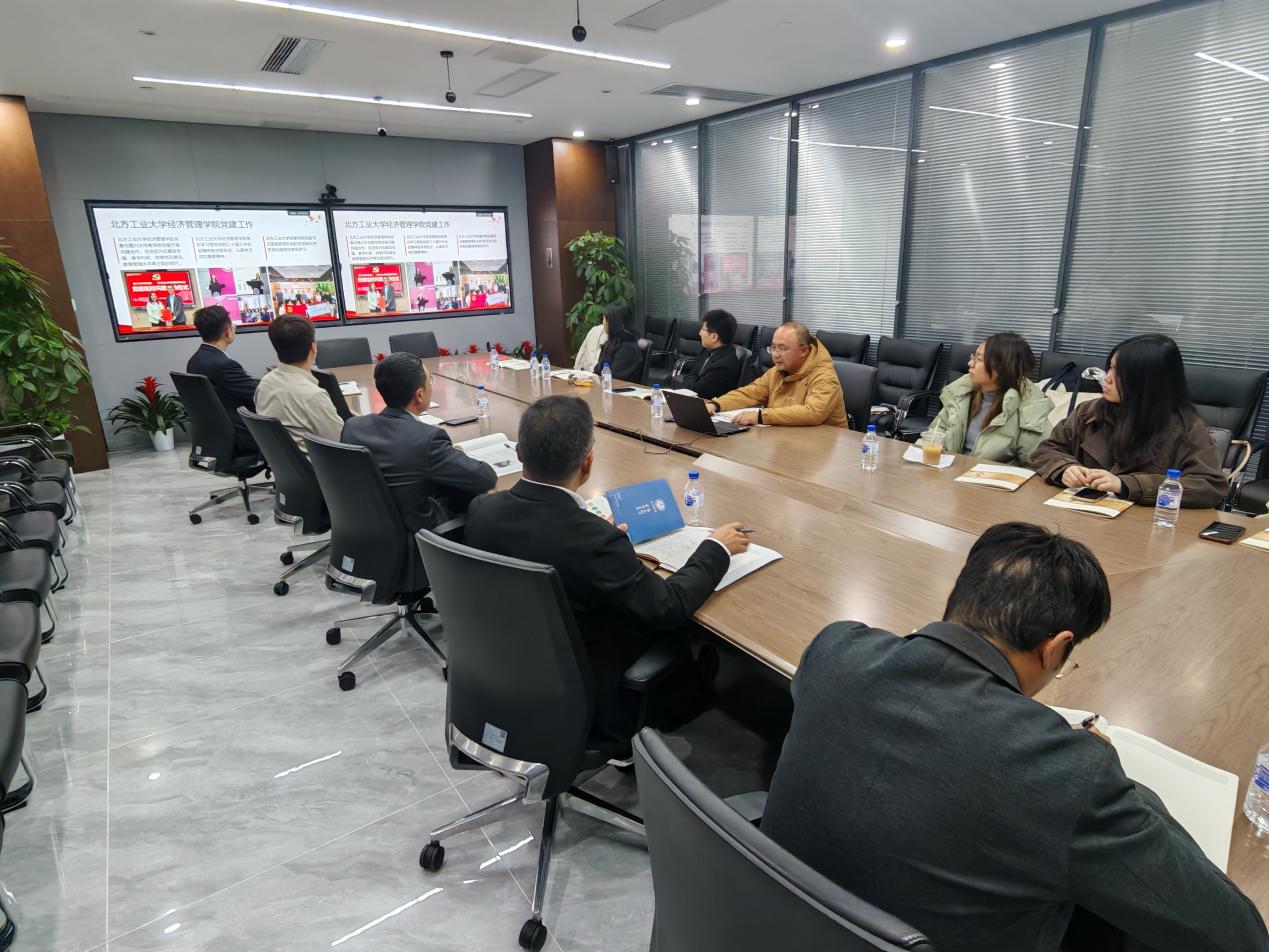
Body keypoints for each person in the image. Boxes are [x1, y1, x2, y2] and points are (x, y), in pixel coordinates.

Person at [762, 522, 1267, 952]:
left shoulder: (835, 649)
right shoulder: (1067, 772)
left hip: (765, 921)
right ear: (1056, 648)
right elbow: (1237, 935)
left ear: (960, 598)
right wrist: (1108, 774)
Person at [463, 395, 750, 744]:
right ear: (588, 463)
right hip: (590, 697)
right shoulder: (595, 541)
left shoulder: (482, 509)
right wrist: (716, 548)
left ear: (520, 452)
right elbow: (668, 608)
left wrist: (605, 543)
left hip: (505, 673)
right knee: (671, 632)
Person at [340, 353, 497, 589]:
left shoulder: (353, 427)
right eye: (430, 380)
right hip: (418, 538)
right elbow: (485, 477)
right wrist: (453, 454)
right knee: (485, 504)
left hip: (370, 537)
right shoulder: (426, 439)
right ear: (420, 394)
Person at [1031, 334, 1225, 507]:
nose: (1107, 378)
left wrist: (1127, 485)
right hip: (1080, 513)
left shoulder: (1188, 429)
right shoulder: (1088, 412)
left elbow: (1208, 487)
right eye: (1110, 368)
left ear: (1147, 381)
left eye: (1118, 373)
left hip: (1144, 526)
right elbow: (1047, 450)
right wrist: (1064, 468)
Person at [922, 333, 1052, 465]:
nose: (970, 363)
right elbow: (938, 429)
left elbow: (1037, 464)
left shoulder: (1031, 409)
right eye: (973, 356)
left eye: (978, 359)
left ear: (1001, 368)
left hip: (994, 477)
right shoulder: (961, 392)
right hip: (949, 471)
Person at [705, 321, 847, 428]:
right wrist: (716, 405)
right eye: (773, 348)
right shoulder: (777, 371)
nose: (775, 355)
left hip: (824, 446)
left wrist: (761, 416)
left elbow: (813, 413)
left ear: (803, 351)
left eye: (783, 349)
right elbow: (750, 393)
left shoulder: (824, 376)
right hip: (787, 437)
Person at [253, 314, 344, 455]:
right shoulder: (313, 396)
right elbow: (341, 442)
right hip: (321, 466)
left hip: (286, 463)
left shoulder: (264, 383)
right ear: (313, 347)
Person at [187, 305, 260, 456]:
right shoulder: (223, 365)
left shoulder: (195, 360)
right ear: (227, 331)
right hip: (244, 436)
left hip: (216, 436)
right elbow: (257, 394)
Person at [667, 309, 742, 399]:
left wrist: (691, 381)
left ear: (714, 337)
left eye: (703, 329)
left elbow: (695, 391)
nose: (700, 333)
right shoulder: (710, 351)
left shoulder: (724, 365)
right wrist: (692, 380)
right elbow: (691, 375)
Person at [594, 303, 642, 381]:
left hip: (620, 387)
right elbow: (597, 371)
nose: (603, 323)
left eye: (604, 319)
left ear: (612, 323)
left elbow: (613, 378)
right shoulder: (610, 344)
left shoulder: (628, 349)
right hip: (604, 386)